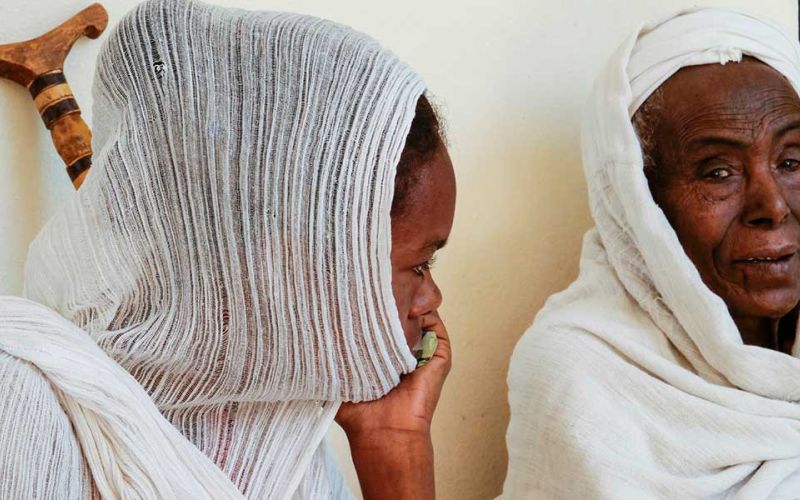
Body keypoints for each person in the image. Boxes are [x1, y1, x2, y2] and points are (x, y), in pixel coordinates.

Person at [0, 0, 455, 498]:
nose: (431, 298)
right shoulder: (21, 409)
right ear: (290, 261)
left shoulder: (271, 437)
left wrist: (394, 440)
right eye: (419, 265)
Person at [503, 9, 800, 498]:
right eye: (718, 172)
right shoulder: (582, 370)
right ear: (639, 201)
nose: (771, 206)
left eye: (791, 161)